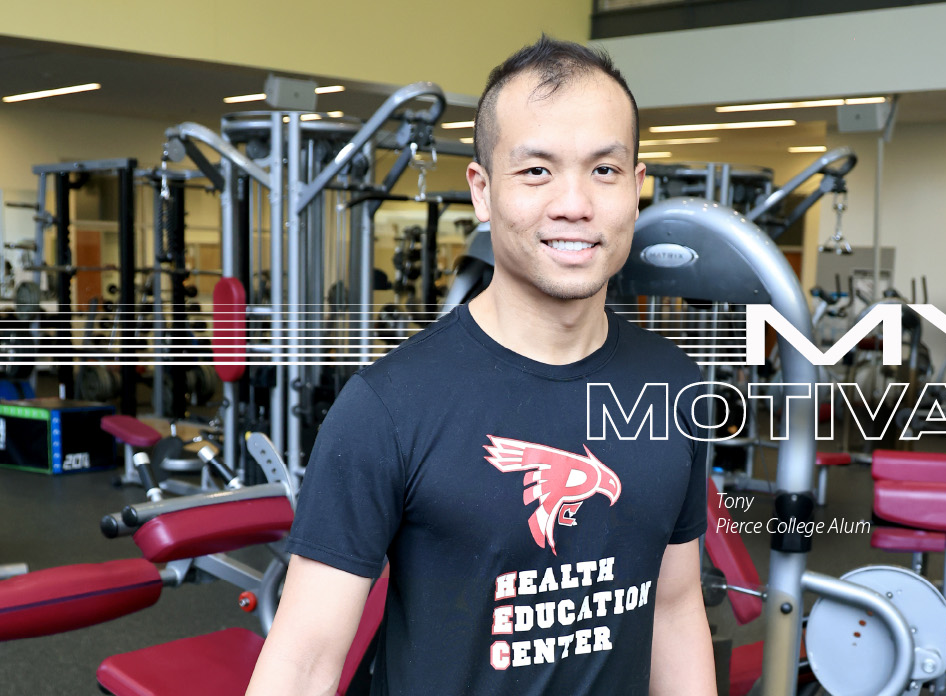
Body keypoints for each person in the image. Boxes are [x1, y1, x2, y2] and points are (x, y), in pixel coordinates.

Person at [246, 37, 714, 695]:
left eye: (604, 171)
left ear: (636, 189)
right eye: (536, 171)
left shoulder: (673, 386)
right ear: (483, 191)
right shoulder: (387, 408)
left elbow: (673, 606)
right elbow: (302, 663)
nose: (574, 204)